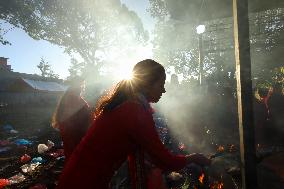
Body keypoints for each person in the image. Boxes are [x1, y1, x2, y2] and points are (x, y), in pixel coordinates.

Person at [56, 59, 210, 189]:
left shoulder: (130, 104)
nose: (164, 90)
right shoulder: (134, 110)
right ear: (147, 84)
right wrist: (194, 157)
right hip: (83, 181)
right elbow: (165, 161)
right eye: (161, 84)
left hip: (82, 176)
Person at [52, 76, 91, 161]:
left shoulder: (68, 96)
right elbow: (80, 115)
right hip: (74, 131)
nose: (82, 88)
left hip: (68, 130)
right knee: (75, 155)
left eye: (83, 86)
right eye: (81, 85)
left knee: (70, 153)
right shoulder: (74, 99)